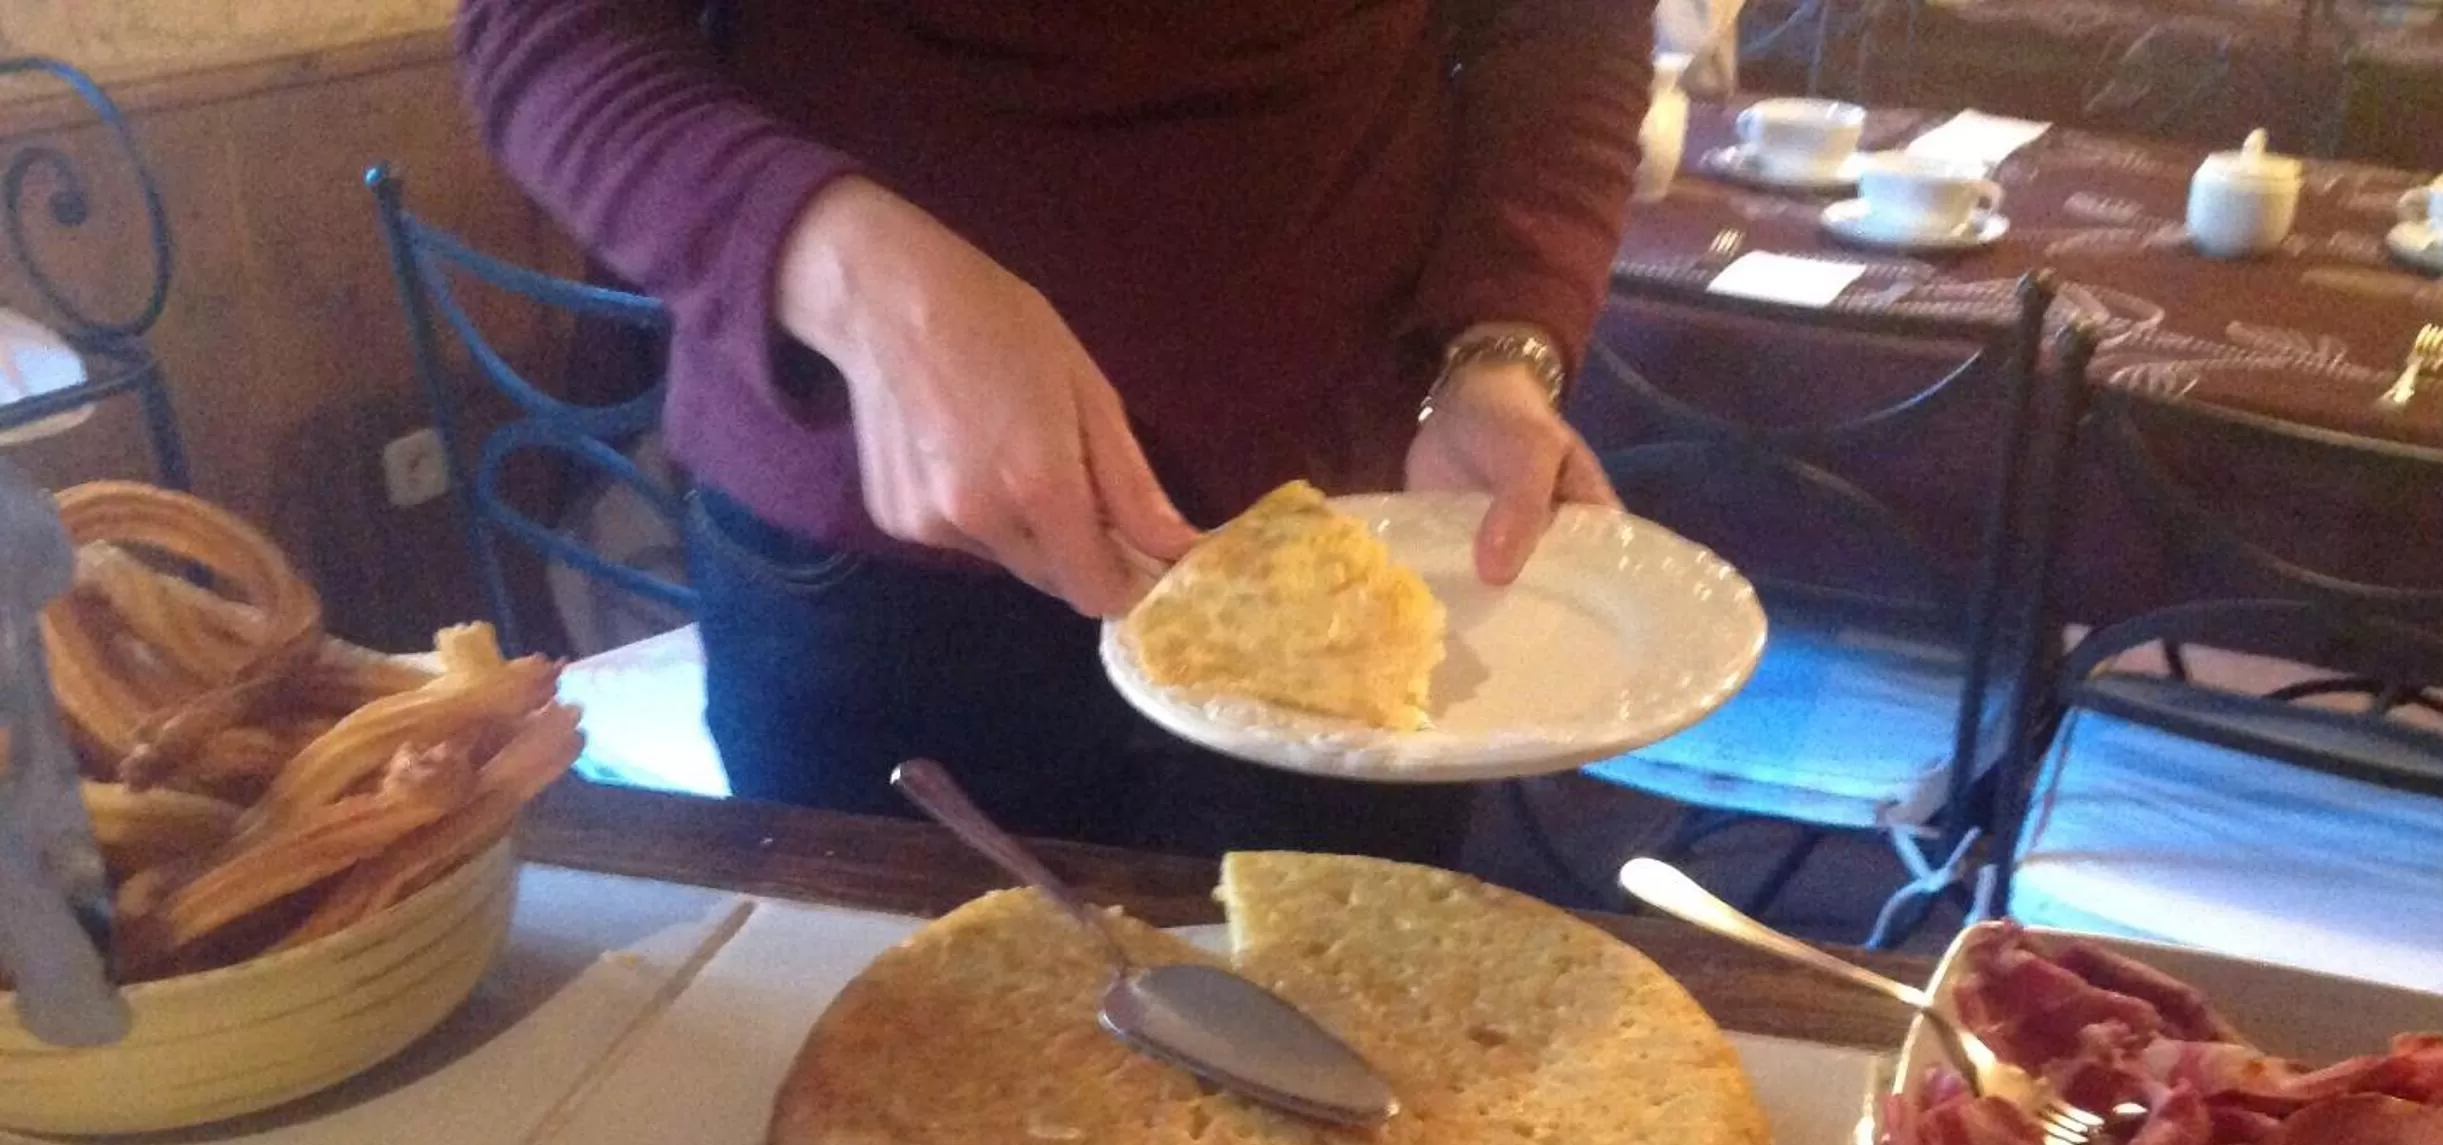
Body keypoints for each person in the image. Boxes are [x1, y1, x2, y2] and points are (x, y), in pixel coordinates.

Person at [455, 1, 1651, 853]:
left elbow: (1559, 25)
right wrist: (846, 271)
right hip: (856, 560)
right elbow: (550, 26)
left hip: (1356, 543)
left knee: (1340, 1101)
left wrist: (1503, 341)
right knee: (913, 1100)